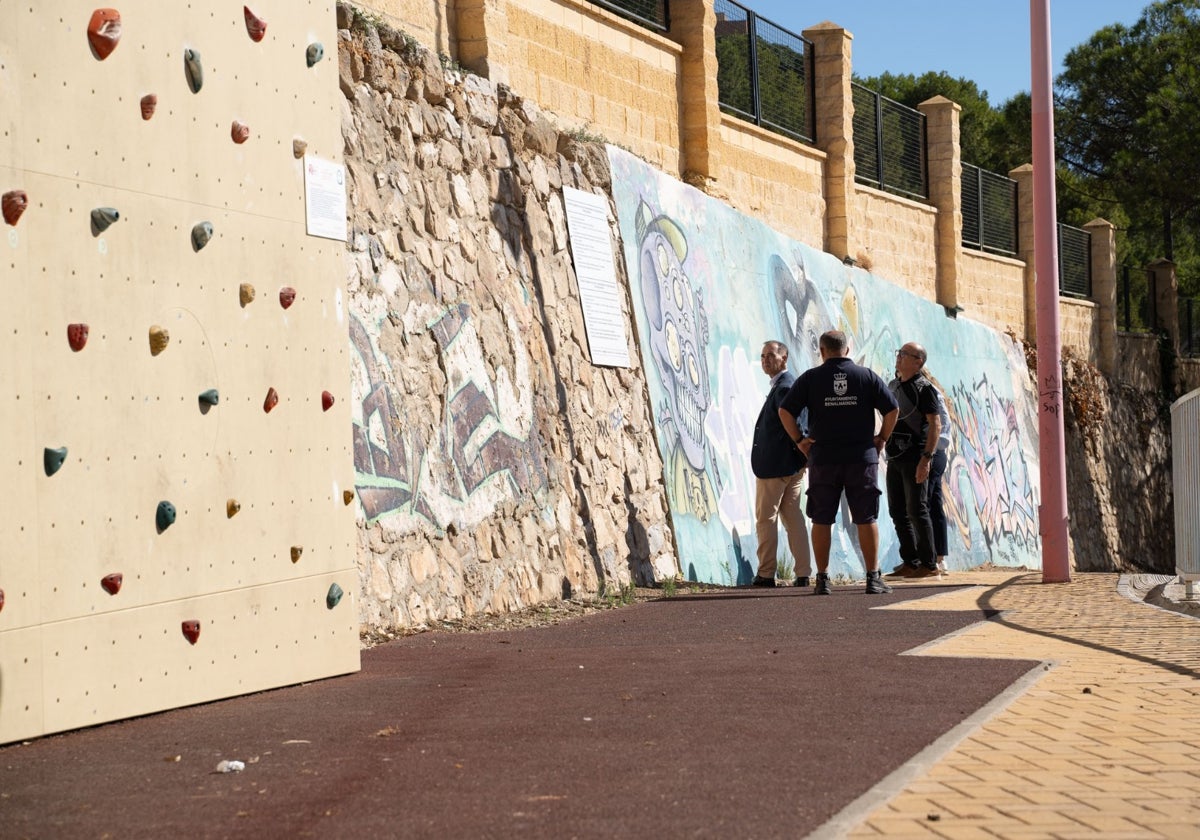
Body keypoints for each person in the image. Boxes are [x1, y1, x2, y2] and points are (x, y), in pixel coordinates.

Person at [778, 330, 899, 595]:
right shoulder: (866, 376)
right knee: (866, 517)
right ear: (848, 349)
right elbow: (892, 409)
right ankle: (873, 578)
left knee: (822, 518)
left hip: (823, 459)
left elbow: (785, 410)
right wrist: (882, 438)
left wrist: (800, 440)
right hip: (862, 459)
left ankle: (822, 579)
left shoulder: (810, 378)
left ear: (821, 351)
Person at [749, 341, 813, 588]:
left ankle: (766, 574)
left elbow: (793, 423)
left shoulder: (785, 388)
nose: (765, 360)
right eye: (763, 355)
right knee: (793, 516)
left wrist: (798, 446)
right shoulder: (789, 385)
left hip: (777, 465)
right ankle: (804, 573)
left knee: (766, 518)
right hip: (791, 465)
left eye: (771, 355)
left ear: (784, 358)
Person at [884, 343, 942, 579]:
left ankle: (929, 564)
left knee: (917, 509)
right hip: (894, 456)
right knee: (897, 510)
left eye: (904, 354)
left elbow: (935, 424)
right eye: (898, 352)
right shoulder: (892, 385)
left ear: (918, 361)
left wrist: (926, 458)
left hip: (915, 456)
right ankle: (910, 560)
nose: (898, 357)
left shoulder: (924, 388)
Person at [928, 381, 951, 574]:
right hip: (934, 453)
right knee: (934, 503)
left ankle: (932, 558)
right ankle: (939, 557)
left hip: (933, 453)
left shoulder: (930, 391)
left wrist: (929, 452)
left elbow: (942, 426)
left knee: (925, 503)